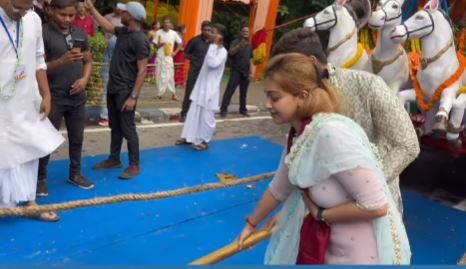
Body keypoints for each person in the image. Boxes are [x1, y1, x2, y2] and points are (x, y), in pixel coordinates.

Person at [236, 53, 411, 264]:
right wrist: (251, 225)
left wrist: (320, 214)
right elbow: (279, 188)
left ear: (302, 96)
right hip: (328, 245)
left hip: (357, 254)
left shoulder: (330, 134)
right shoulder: (300, 133)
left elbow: (375, 205)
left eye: (275, 98)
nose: (268, 104)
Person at [269, 28, 420, 213]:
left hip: (370, 209)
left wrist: (362, 189)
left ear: (311, 62)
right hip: (316, 208)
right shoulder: (299, 96)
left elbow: (407, 144)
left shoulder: (368, 85)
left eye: (288, 70)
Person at [0, 0, 64, 221]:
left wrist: (46, 94)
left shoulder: (33, 19)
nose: (22, 13)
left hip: (27, 97)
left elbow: (39, 59)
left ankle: (30, 203)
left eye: (27, 8)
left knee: (30, 148)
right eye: (18, 8)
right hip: (1, 103)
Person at [85, 0, 149, 179]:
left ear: (133, 17)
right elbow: (107, 26)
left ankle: (134, 165)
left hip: (125, 91)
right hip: (113, 87)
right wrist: (92, 9)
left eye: (125, 12)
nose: (122, 14)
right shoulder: (124, 32)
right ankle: (114, 159)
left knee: (128, 128)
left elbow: (143, 70)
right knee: (115, 126)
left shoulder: (140, 39)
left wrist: (133, 96)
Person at [38, 0, 94, 195]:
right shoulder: (42, 32)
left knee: (77, 138)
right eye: (63, 15)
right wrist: (61, 61)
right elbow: (37, 67)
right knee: (46, 140)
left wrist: (85, 79)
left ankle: (75, 174)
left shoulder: (79, 33)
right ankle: (39, 178)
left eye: (71, 15)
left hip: (77, 97)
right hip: (53, 97)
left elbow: (88, 61)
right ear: (52, 11)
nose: (68, 19)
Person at [176, 23, 228, 150]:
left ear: (219, 36)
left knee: (206, 117)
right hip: (201, 86)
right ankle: (189, 137)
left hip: (210, 89)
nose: (209, 33)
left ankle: (204, 141)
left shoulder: (222, 51)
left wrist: (214, 44)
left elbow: (211, 63)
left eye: (213, 31)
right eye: (209, 31)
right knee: (193, 113)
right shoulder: (212, 47)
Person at [179, 20, 211, 122]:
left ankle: (198, 115)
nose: (207, 32)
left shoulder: (212, 43)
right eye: (205, 30)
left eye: (209, 30)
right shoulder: (194, 41)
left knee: (203, 94)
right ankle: (184, 114)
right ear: (201, 30)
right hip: (194, 71)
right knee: (189, 93)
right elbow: (185, 53)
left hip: (206, 73)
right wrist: (194, 58)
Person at [98, 2, 122, 127]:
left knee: (119, 88)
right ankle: (104, 116)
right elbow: (101, 30)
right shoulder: (107, 17)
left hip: (121, 60)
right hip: (109, 55)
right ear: (113, 7)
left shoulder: (125, 20)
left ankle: (115, 114)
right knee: (107, 88)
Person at [220, 26, 252, 118]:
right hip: (236, 71)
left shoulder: (249, 44)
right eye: (244, 31)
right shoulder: (235, 42)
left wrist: (251, 72)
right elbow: (230, 52)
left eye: (247, 31)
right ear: (240, 32)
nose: (246, 32)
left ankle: (243, 110)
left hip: (245, 71)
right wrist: (239, 46)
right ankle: (223, 110)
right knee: (229, 91)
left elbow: (250, 58)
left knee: (243, 93)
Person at [153, 16, 182, 101]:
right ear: (163, 24)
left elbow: (180, 43)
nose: (166, 24)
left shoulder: (173, 33)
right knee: (159, 75)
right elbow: (154, 44)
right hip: (160, 57)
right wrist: (161, 44)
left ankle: (173, 94)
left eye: (168, 22)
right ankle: (159, 94)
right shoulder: (158, 33)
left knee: (170, 75)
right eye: (165, 22)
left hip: (169, 57)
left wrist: (175, 52)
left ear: (170, 24)